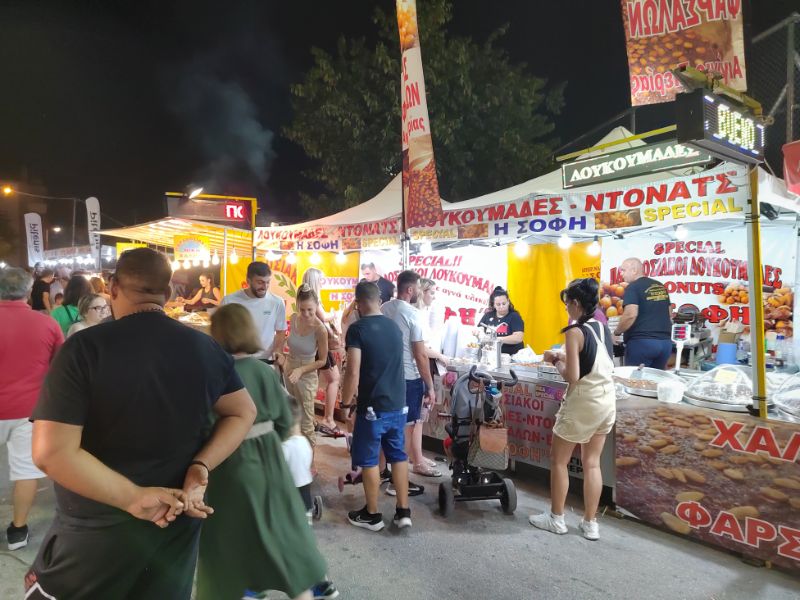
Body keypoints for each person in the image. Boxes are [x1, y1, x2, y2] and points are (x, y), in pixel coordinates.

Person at [26, 248, 257, 599]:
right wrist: (201, 465)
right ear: (168, 293)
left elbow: (51, 453)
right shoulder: (205, 348)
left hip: (96, 533)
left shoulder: (84, 349)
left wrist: (134, 498)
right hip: (175, 525)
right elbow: (243, 412)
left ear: (113, 287)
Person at [198, 304, 329, 600]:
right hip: (271, 463)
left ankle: (243, 589)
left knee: (230, 542)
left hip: (231, 465)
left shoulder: (215, 374)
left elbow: (205, 427)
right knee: (282, 535)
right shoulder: (264, 371)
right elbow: (284, 422)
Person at [529, 278, 615, 541]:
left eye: (567, 304)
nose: (566, 308)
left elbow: (572, 376)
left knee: (559, 461)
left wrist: (555, 361)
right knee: (592, 463)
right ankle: (590, 523)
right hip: (606, 401)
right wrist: (563, 356)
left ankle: (556, 519)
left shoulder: (574, 331)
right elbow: (592, 358)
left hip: (583, 402)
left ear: (576, 303)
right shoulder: (601, 327)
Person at [0, 268, 63, 551]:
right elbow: (60, 367)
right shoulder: (47, 324)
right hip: (29, 409)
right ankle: (18, 530)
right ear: (28, 292)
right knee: (25, 470)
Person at [343, 281, 412, 531]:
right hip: (398, 403)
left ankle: (372, 515)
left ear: (358, 303)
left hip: (373, 406)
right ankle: (403, 511)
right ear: (379, 301)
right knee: (398, 455)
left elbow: (353, 370)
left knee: (370, 459)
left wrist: (345, 403)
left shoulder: (357, 329)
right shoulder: (394, 327)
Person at [381, 270, 438, 486]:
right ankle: (399, 482)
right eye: (419, 289)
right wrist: (430, 386)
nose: (421, 293)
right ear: (410, 289)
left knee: (386, 427)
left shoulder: (384, 308)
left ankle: (383, 473)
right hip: (408, 378)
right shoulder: (413, 314)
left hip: (386, 376)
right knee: (406, 428)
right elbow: (420, 355)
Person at [276, 285, 328, 450]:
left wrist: (301, 370)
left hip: (307, 374)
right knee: (289, 415)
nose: (305, 314)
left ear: (317, 306)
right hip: (289, 369)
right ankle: (294, 455)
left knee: (306, 423)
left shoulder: (320, 329)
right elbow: (286, 341)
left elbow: (322, 361)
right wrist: (280, 354)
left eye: (310, 310)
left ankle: (310, 461)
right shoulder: (293, 318)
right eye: (302, 309)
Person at [302, 268, 343, 436]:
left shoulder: (303, 297)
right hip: (319, 345)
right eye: (320, 280)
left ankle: (311, 418)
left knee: (311, 382)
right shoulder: (312, 298)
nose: (322, 283)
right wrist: (334, 314)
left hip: (310, 344)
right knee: (334, 379)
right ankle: (328, 418)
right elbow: (323, 317)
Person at [613, 258, 673, 369]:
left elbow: (630, 315)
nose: (621, 274)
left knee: (634, 379)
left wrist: (616, 332)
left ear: (634, 270)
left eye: (623, 270)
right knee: (655, 378)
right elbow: (670, 313)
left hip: (642, 344)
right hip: (665, 344)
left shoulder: (633, 287)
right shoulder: (660, 286)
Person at [221, 261, 287, 357]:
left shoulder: (277, 302)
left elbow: (280, 331)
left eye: (267, 282)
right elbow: (221, 332)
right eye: (260, 282)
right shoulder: (229, 301)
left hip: (265, 360)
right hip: (237, 360)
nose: (265, 287)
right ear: (248, 281)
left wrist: (277, 351)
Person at [478, 286, 525, 355]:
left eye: (504, 303)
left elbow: (518, 338)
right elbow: (480, 330)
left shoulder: (514, 316)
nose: (501, 307)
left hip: (511, 356)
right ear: (493, 305)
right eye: (498, 304)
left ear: (508, 302)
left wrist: (496, 339)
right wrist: (478, 333)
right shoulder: (488, 315)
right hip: (491, 355)